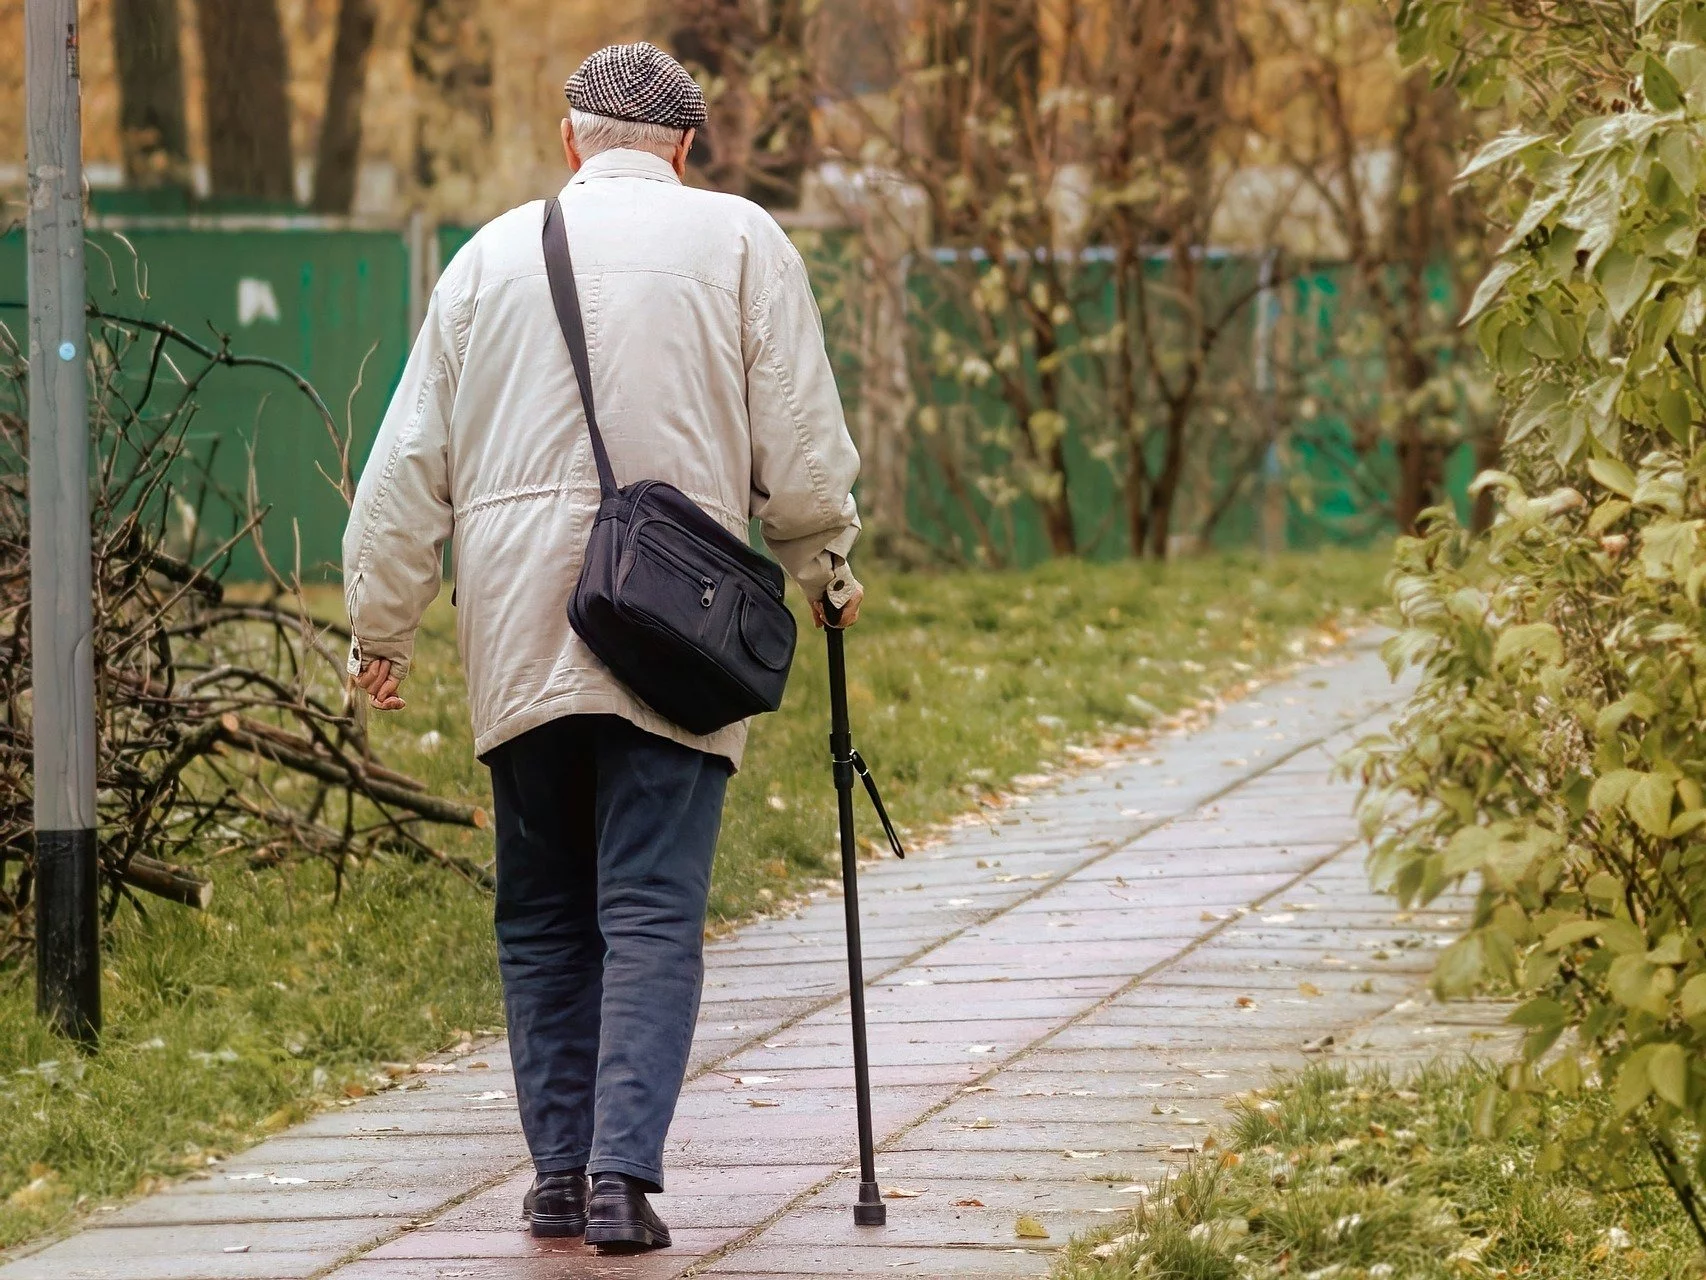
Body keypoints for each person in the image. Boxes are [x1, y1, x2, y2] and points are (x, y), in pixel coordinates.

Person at [341, 40, 864, 1255]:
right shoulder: (740, 242)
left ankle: (553, 1177)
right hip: (670, 624)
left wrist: (382, 623)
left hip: (521, 623)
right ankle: (623, 1178)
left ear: (569, 139)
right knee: (649, 909)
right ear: (684, 149)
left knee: (537, 915)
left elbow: (406, 464)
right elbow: (797, 440)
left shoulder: (481, 261)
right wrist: (823, 567)